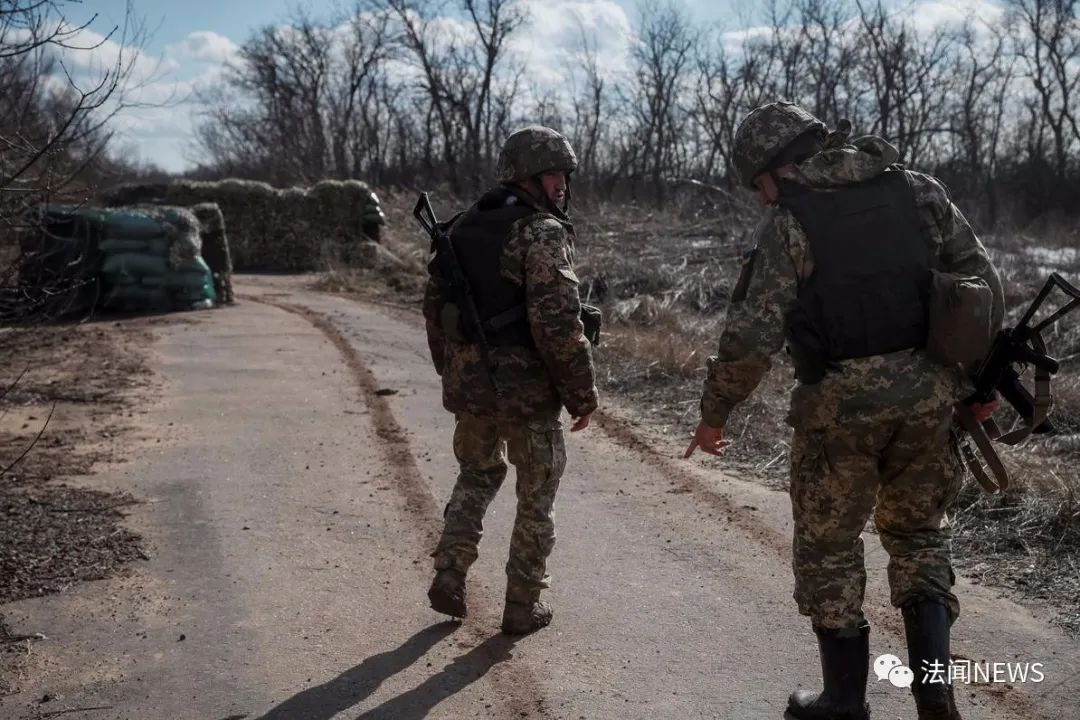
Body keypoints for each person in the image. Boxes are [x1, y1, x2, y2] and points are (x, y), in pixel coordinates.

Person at [684, 102, 1003, 720]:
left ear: (779, 167)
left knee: (829, 549)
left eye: (759, 184)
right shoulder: (917, 191)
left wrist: (715, 412)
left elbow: (751, 334)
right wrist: (978, 377)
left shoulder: (790, 223)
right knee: (919, 538)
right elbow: (980, 284)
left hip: (838, 414)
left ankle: (842, 701)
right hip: (928, 402)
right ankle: (935, 696)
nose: (761, 198)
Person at [423, 126, 598, 636]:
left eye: (563, 175)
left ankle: (450, 572)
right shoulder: (541, 232)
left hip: (472, 388)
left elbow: (434, 310)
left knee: (476, 475)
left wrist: (451, 371)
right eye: (553, 175)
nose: (561, 185)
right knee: (536, 495)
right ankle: (522, 605)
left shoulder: (461, 226)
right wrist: (582, 395)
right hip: (526, 393)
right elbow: (557, 325)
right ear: (528, 177)